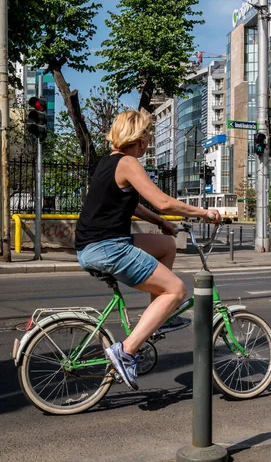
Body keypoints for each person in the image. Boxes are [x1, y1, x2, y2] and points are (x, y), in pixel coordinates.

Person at [75, 109, 220, 391]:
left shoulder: (110, 162)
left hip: (98, 244)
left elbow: (135, 205)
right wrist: (204, 213)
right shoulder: (128, 162)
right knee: (176, 291)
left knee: (166, 245)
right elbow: (162, 200)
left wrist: (162, 224)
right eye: (148, 136)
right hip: (107, 247)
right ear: (139, 138)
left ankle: (157, 317)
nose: (150, 140)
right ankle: (126, 351)